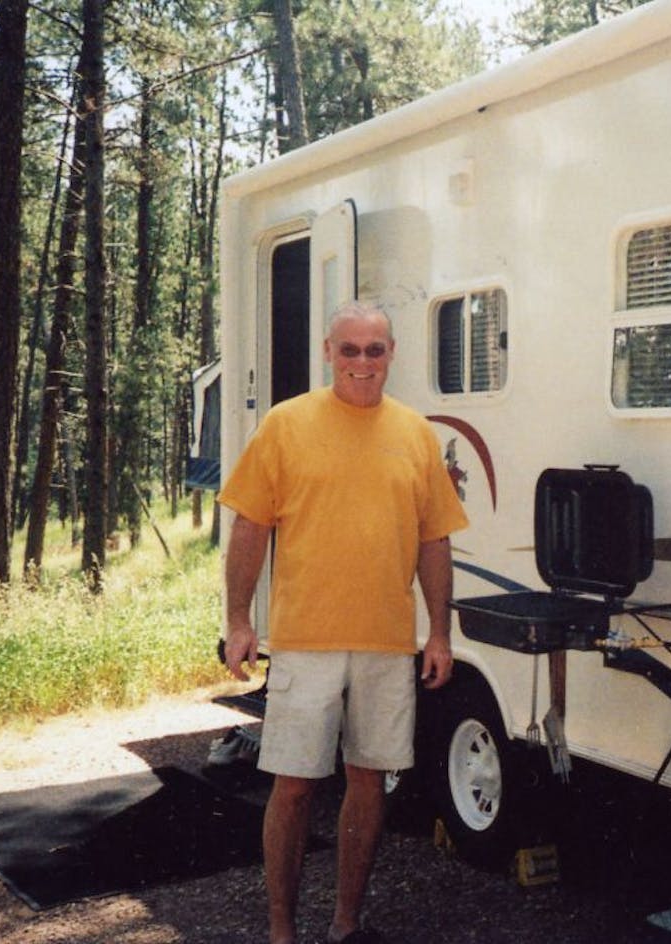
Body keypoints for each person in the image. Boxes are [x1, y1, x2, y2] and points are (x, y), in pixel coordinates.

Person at [219, 300, 468, 944]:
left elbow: (434, 540)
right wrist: (239, 619)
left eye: (375, 351)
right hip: (305, 642)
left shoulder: (416, 434)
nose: (363, 363)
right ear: (328, 352)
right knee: (295, 788)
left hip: (388, 644)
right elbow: (251, 525)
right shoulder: (285, 425)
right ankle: (281, 929)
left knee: (368, 785)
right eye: (350, 350)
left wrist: (438, 632)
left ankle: (345, 925)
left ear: (392, 355)